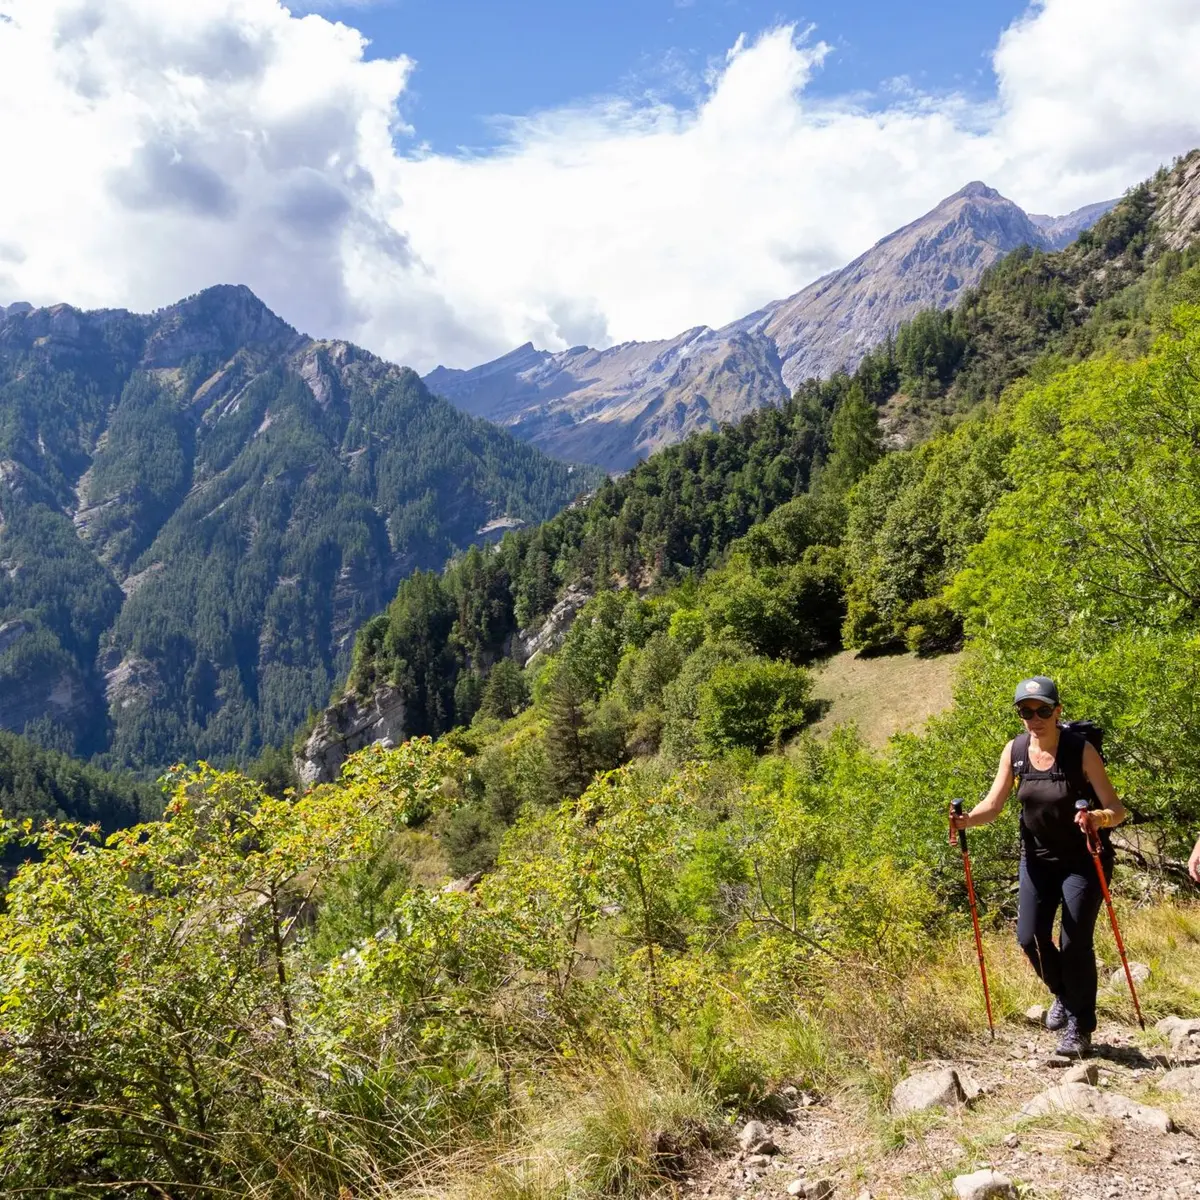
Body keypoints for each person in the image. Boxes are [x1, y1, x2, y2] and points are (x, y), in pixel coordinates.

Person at [950, 676, 1126, 1056]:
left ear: (1057, 711)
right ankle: (1063, 992)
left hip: (1083, 860)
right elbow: (993, 805)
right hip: (1037, 860)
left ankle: (1080, 1025)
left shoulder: (1080, 751)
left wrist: (1097, 818)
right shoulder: (1015, 750)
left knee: (1074, 942)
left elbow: (1117, 809)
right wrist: (967, 821)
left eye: (1043, 710)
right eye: (1026, 712)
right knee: (1029, 938)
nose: (1035, 718)